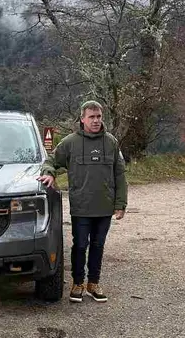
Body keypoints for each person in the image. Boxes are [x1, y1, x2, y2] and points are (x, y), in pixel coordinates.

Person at [37, 100, 127, 303]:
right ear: (82, 119)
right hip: (81, 208)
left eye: (98, 117)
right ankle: (78, 283)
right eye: (91, 117)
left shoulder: (111, 142)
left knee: (98, 245)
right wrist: (49, 173)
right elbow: (50, 161)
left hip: (104, 207)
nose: (96, 121)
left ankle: (93, 284)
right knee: (79, 245)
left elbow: (120, 175)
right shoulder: (70, 142)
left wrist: (120, 204)